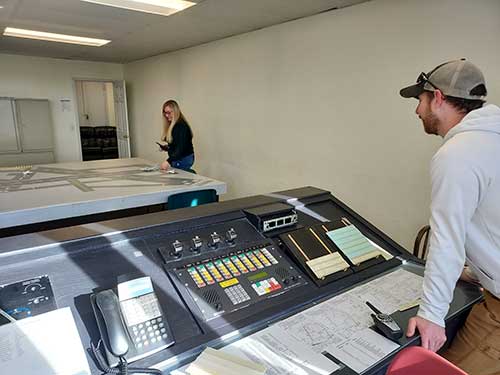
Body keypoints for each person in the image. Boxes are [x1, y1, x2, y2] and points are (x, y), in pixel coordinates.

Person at [400, 59, 500, 374]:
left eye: (420, 100)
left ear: (438, 97)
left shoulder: (457, 153)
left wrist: (431, 315)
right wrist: (477, 271)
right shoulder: (492, 139)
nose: (418, 111)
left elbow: (446, 237)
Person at [158, 100, 195, 171]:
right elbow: (176, 143)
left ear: (175, 111)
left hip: (183, 158)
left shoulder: (181, 126)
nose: (166, 115)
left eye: (169, 113)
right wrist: (166, 147)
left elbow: (181, 148)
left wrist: (168, 161)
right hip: (178, 157)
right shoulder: (173, 125)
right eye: (165, 113)